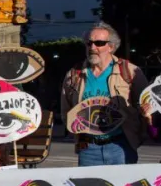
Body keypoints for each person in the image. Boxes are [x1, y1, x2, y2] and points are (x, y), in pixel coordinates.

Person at [61, 22, 149, 166]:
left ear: (111, 47)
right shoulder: (73, 75)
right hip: (88, 148)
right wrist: (78, 134)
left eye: (99, 43)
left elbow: (145, 107)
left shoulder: (130, 72)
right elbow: (66, 111)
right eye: (89, 43)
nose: (92, 47)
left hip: (121, 146)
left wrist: (137, 136)